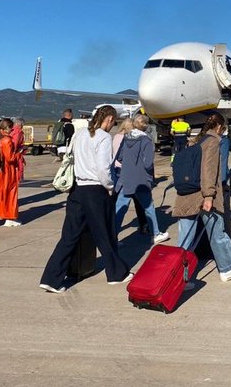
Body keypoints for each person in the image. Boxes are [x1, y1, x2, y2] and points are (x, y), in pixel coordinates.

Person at [39, 106, 131, 293]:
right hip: (95, 190)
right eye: (113, 122)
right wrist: (110, 187)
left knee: (69, 236)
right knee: (105, 234)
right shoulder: (104, 137)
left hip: (77, 189)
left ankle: (51, 278)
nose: (112, 125)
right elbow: (103, 168)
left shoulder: (80, 133)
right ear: (109, 119)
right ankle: (116, 273)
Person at [173, 112, 231, 282]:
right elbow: (209, 170)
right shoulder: (212, 142)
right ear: (219, 127)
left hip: (186, 196)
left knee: (185, 240)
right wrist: (209, 195)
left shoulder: (197, 140)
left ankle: (178, 277)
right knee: (217, 232)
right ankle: (228, 268)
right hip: (204, 195)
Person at [115, 114, 169, 244]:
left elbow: (120, 157)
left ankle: (113, 236)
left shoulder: (126, 137)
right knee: (148, 207)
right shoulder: (146, 140)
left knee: (120, 207)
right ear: (145, 125)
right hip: (140, 179)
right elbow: (148, 163)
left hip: (125, 177)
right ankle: (155, 233)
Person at [112, 118, 149, 235]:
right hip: (127, 171)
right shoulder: (128, 138)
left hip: (116, 170)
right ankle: (145, 225)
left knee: (118, 202)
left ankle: (113, 230)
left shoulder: (116, 136)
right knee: (136, 200)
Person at [9, 117, 27, 182]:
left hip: (12, 153)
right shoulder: (18, 132)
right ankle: (17, 179)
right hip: (16, 153)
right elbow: (15, 143)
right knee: (19, 168)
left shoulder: (12, 130)